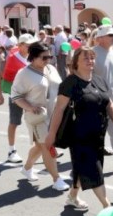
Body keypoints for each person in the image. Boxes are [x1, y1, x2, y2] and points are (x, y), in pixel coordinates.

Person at [45, 47, 113, 213]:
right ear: (76, 62)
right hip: (79, 136)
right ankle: (108, 207)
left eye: (92, 58)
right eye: (86, 58)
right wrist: (51, 134)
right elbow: (59, 110)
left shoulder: (99, 80)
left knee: (84, 168)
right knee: (94, 170)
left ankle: (72, 196)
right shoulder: (70, 83)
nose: (90, 61)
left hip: (98, 136)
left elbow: (109, 104)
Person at [10, 42, 69, 191]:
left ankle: (27, 168)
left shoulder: (51, 69)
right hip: (38, 117)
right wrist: (30, 107)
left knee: (39, 146)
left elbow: (60, 87)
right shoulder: (24, 73)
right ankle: (56, 179)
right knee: (47, 145)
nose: (48, 60)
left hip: (54, 114)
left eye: (50, 56)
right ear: (33, 57)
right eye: (44, 57)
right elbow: (16, 96)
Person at [92, 26, 113, 171]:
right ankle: (91, 166)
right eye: (110, 35)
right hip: (98, 99)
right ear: (100, 38)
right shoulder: (91, 53)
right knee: (96, 134)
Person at [1, 33, 37, 164]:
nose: (31, 48)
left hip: (31, 94)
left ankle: (44, 148)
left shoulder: (31, 56)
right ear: (20, 45)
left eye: (32, 45)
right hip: (17, 96)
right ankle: (11, 151)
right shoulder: (13, 59)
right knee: (14, 122)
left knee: (37, 121)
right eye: (28, 45)